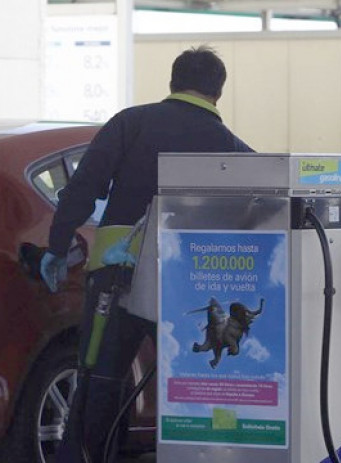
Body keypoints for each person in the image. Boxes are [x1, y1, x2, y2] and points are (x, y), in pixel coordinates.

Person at [40, 45, 254, 463]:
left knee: (100, 382)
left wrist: (56, 246)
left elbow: (82, 189)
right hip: (189, 285)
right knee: (194, 382)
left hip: (117, 276)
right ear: (217, 94)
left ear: (172, 83)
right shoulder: (230, 145)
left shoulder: (130, 123)